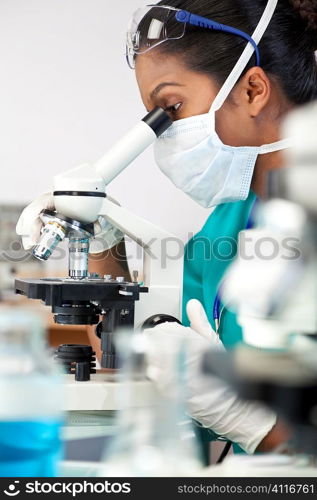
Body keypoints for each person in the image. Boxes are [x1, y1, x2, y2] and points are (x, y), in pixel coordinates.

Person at [17, 0, 317, 457]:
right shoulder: (228, 224)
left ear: (253, 89)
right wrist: (100, 237)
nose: (165, 133)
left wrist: (248, 420)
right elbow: (147, 341)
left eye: (170, 108)